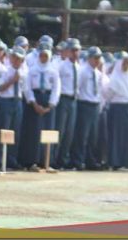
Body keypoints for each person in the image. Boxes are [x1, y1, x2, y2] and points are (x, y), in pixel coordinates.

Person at [19, 42, 60, 171]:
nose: (44, 58)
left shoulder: (53, 71)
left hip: (47, 100)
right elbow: (27, 88)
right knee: (34, 132)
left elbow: (56, 89)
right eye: (42, 55)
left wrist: (50, 105)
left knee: (48, 131)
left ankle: (47, 161)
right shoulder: (32, 70)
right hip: (35, 101)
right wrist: (34, 103)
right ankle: (32, 161)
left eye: (46, 56)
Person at [104, 51, 128, 170]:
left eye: (127, 62)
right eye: (124, 63)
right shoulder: (114, 78)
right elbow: (108, 95)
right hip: (118, 107)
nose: (126, 65)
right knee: (117, 136)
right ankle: (116, 162)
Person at [70, 46, 104, 171]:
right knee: (82, 135)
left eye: (99, 58)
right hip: (84, 104)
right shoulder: (83, 71)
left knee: (93, 136)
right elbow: (78, 88)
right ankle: (78, 160)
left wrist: (99, 105)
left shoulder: (98, 73)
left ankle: (90, 161)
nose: (97, 60)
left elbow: (99, 91)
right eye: (95, 58)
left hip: (94, 105)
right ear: (89, 58)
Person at [0, 46, 27, 169]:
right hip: (5, 101)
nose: (16, 60)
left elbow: (25, 89)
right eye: (14, 57)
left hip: (17, 101)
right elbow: (0, 88)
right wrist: (12, 81)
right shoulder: (5, 70)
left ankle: (11, 159)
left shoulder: (24, 73)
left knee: (15, 132)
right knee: (4, 130)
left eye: (19, 59)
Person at [55, 38, 81, 169]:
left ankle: (64, 160)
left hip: (73, 100)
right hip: (63, 99)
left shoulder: (78, 66)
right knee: (61, 130)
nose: (76, 53)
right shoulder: (62, 66)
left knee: (70, 132)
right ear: (68, 51)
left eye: (77, 50)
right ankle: (55, 160)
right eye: (73, 50)